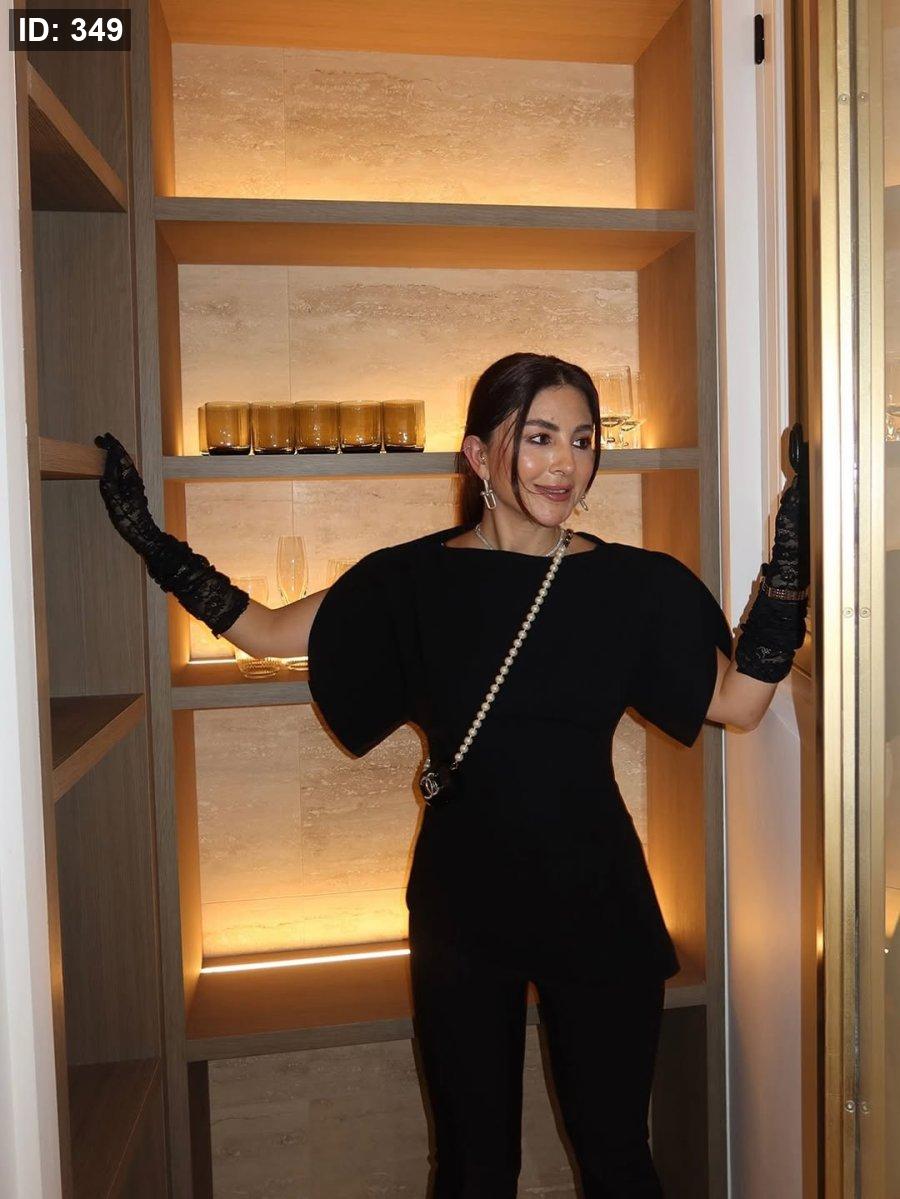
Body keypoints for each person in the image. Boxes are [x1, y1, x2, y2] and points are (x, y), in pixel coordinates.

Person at [94, 351, 809, 1198]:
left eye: (583, 440)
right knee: (473, 1170)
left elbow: (739, 703)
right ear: (476, 454)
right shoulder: (411, 580)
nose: (566, 462)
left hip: (598, 900)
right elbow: (268, 630)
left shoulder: (633, 585)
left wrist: (792, 546)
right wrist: (153, 543)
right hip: (462, 906)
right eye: (538, 437)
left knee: (619, 1159)